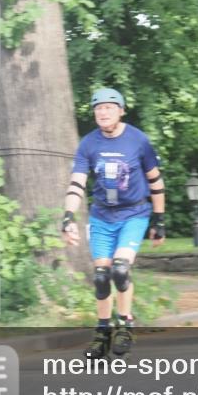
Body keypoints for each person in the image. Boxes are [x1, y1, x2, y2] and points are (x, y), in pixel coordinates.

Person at [61, 88, 167, 358]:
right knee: (101, 277)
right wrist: (68, 216)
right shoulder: (88, 144)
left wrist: (159, 220)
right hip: (102, 217)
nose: (103, 112)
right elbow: (77, 183)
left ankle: (125, 324)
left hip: (133, 214)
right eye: (98, 108)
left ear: (121, 111)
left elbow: (155, 181)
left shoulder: (138, 140)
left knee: (120, 270)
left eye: (109, 107)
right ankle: (102, 332)